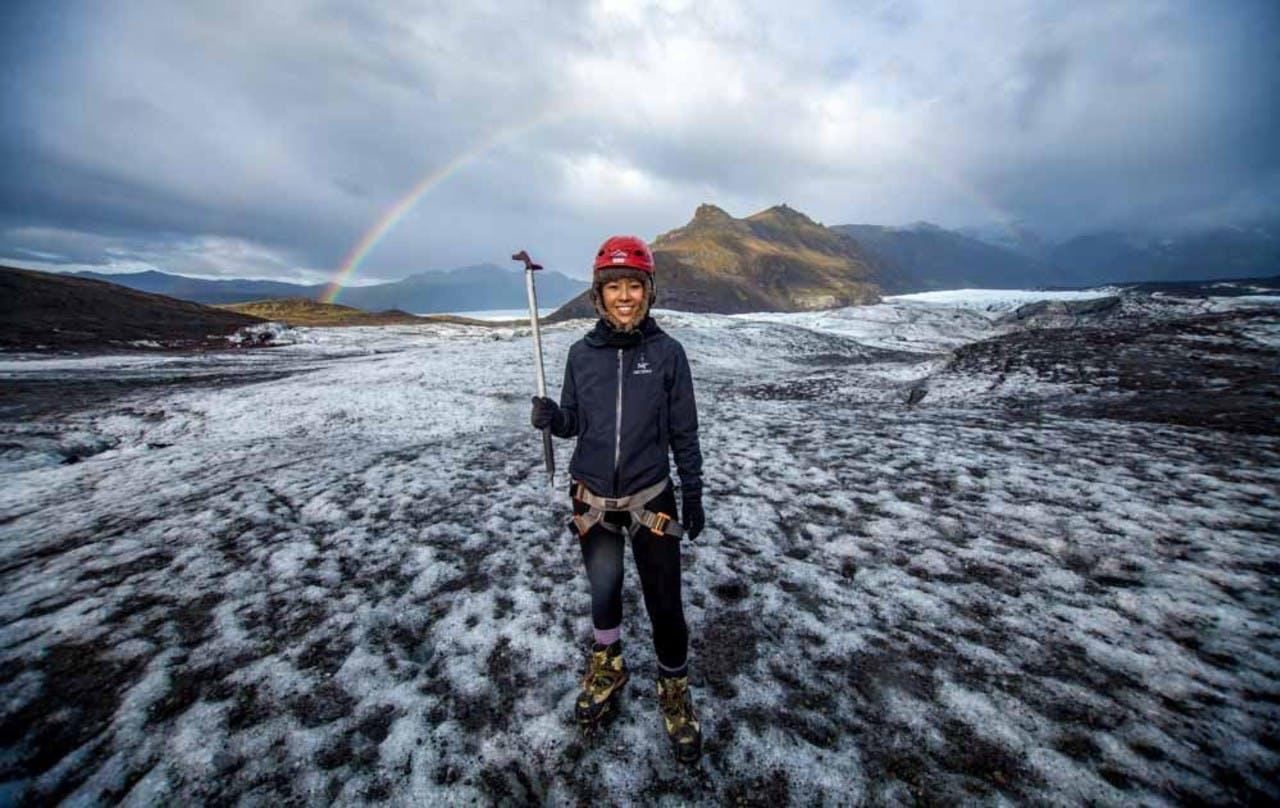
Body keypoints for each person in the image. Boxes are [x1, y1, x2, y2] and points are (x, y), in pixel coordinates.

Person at [530, 234, 706, 764]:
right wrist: (553, 420)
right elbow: (575, 421)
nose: (624, 296)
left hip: (652, 499)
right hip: (593, 502)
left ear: (648, 292)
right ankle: (609, 664)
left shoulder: (669, 355)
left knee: (664, 604)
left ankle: (674, 688)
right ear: (599, 295)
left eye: (634, 286)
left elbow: (684, 432)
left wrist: (692, 492)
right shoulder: (581, 355)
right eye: (614, 287)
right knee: (603, 594)